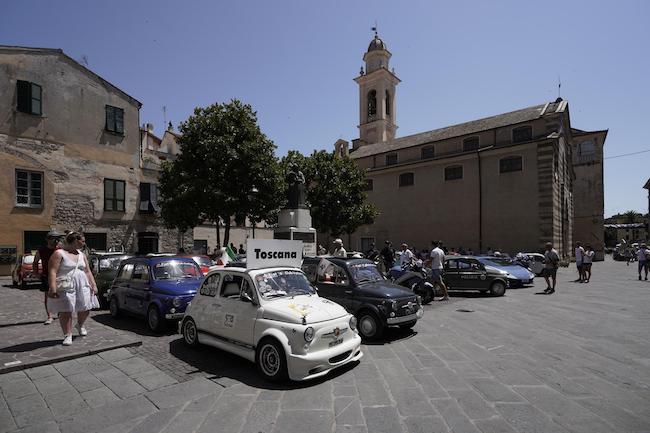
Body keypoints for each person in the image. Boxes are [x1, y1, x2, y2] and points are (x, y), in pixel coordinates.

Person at [47, 231, 98, 346]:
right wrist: (53, 287)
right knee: (66, 310)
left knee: (86, 307)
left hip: (83, 284)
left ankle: (80, 324)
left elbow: (87, 271)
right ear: (75, 241)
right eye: (83, 241)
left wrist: (93, 285)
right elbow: (52, 271)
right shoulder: (59, 253)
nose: (84, 244)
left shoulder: (82, 255)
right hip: (66, 285)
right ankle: (67, 334)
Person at [33, 230, 62, 325]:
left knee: (61, 296)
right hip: (46, 275)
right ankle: (49, 316)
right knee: (48, 296)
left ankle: (61, 313)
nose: (56, 241)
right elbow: (35, 262)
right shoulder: (41, 250)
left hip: (60, 275)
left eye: (58, 239)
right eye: (54, 238)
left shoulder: (60, 250)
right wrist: (36, 272)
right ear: (47, 239)